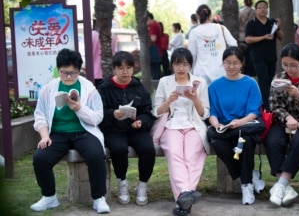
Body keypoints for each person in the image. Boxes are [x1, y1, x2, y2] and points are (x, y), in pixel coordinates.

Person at [31, 48, 110, 214]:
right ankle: (49, 197)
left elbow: (97, 117)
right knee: (40, 158)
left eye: (73, 73)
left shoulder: (89, 88)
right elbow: (40, 116)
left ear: (79, 70)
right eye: (64, 72)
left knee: (96, 155)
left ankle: (98, 198)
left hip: (84, 132)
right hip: (57, 134)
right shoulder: (48, 89)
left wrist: (80, 108)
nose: (68, 77)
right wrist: (45, 136)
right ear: (58, 69)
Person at [152, 48, 210, 216]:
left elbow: (204, 113)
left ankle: (183, 200)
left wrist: (195, 98)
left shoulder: (200, 82)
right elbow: (157, 111)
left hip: (194, 125)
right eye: (178, 64)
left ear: (190, 65)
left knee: (192, 156)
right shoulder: (165, 82)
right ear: (172, 65)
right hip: (171, 125)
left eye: (185, 64)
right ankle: (186, 193)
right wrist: (169, 100)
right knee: (174, 152)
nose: (182, 68)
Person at [264, 43, 299, 207]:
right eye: (285, 65)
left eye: (293, 65)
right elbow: (274, 105)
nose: (289, 69)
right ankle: (285, 187)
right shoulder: (278, 79)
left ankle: (280, 185)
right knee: (273, 141)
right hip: (283, 122)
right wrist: (287, 117)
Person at [98, 51, 156, 206]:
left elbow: (147, 111)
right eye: (121, 68)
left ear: (133, 69)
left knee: (148, 149)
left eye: (129, 68)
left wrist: (141, 122)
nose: (125, 72)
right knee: (118, 148)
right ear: (114, 69)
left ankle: (143, 185)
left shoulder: (138, 87)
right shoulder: (104, 88)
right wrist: (112, 114)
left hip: (135, 128)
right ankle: (122, 182)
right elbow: (98, 113)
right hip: (113, 129)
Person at [208, 46, 262, 206]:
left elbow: (254, 112)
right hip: (224, 128)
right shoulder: (214, 86)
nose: (231, 66)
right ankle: (250, 175)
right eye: (228, 62)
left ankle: (246, 186)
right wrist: (217, 125)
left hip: (244, 124)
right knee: (217, 142)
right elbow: (212, 112)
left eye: (235, 63)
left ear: (242, 64)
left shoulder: (251, 83)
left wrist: (240, 122)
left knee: (245, 141)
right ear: (223, 63)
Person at [245, 0, 284, 110]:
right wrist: (263, 37)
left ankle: (271, 104)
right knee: (263, 81)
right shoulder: (251, 24)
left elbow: (281, 37)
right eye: (260, 7)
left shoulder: (272, 22)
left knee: (271, 80)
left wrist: (278, 27)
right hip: (258, 57)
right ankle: (265, 107)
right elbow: (248, 39)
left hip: (271, 57)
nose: (263, 9)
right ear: (256, 10)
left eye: (265, 7)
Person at [188, 4, 237, 85]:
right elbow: (234, 44)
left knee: (203, 97)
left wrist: (190, 72)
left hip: (201, 72)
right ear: (210, 15)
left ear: (198, 16)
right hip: (221, 70)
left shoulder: (194, 32)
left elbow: (192, 54)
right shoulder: (221, 28)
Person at [92, 20, 117, 87]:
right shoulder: (113, 36)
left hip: (93, 73)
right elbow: (113, 54)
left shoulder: (92, 35)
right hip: (108, 72)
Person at [239, 0, 256, 77]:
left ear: (244, 2)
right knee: (251, 56)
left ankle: (243, 71)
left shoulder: (240, 12)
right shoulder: (255, 12)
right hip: (253, 37)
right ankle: (251, 72)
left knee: (243, 55)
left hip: (242, 36)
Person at [146, 11, 163, 80]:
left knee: (154, 76)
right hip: (157, 52)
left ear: (148, 18)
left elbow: (153, 39)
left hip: (154, 53)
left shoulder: (153, 25)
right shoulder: (155, 24)